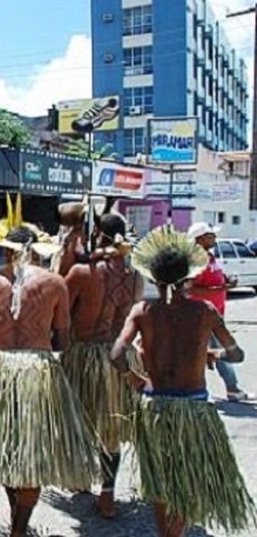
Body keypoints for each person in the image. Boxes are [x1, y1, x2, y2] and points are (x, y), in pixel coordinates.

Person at [0, 226, 98, 537]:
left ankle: (17, 523)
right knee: (31, 456)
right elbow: (63, 341)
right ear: (35, 250)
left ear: (6, 250)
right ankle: (19, 528)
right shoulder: (54, 283)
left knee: (6, 450)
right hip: (36, 370)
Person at [111, 226, 255, 536]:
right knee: (186, 479)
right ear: (188, 277)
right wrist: (212, 351)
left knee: (161, 482)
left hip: (156, 405)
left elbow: (116, 354)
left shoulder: (143, 310)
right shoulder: (205, 311)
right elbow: (238, 354)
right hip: (194, 408)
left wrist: (134, 378)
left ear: (153, 277)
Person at [61, 213, 143, 518]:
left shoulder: (83, 272)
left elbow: (61, 312)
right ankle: (107, 495)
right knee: (111, 428)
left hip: (83, 355)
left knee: (78, 421)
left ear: (99, 235)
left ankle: (81, 477)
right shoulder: (136, 277)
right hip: (118, 355)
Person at [187, 222, 254, 402]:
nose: (214, 239)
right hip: (202, 315)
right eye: (210, 235)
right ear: (199, 239)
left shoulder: (209, 257)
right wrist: (222, 287)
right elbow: (191, 289)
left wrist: (226, 280)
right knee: (218, 351)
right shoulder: (196, 260)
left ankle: (221, 389)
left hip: (215, 314)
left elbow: (214, 279)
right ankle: (229, 389)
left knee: (213, 351)